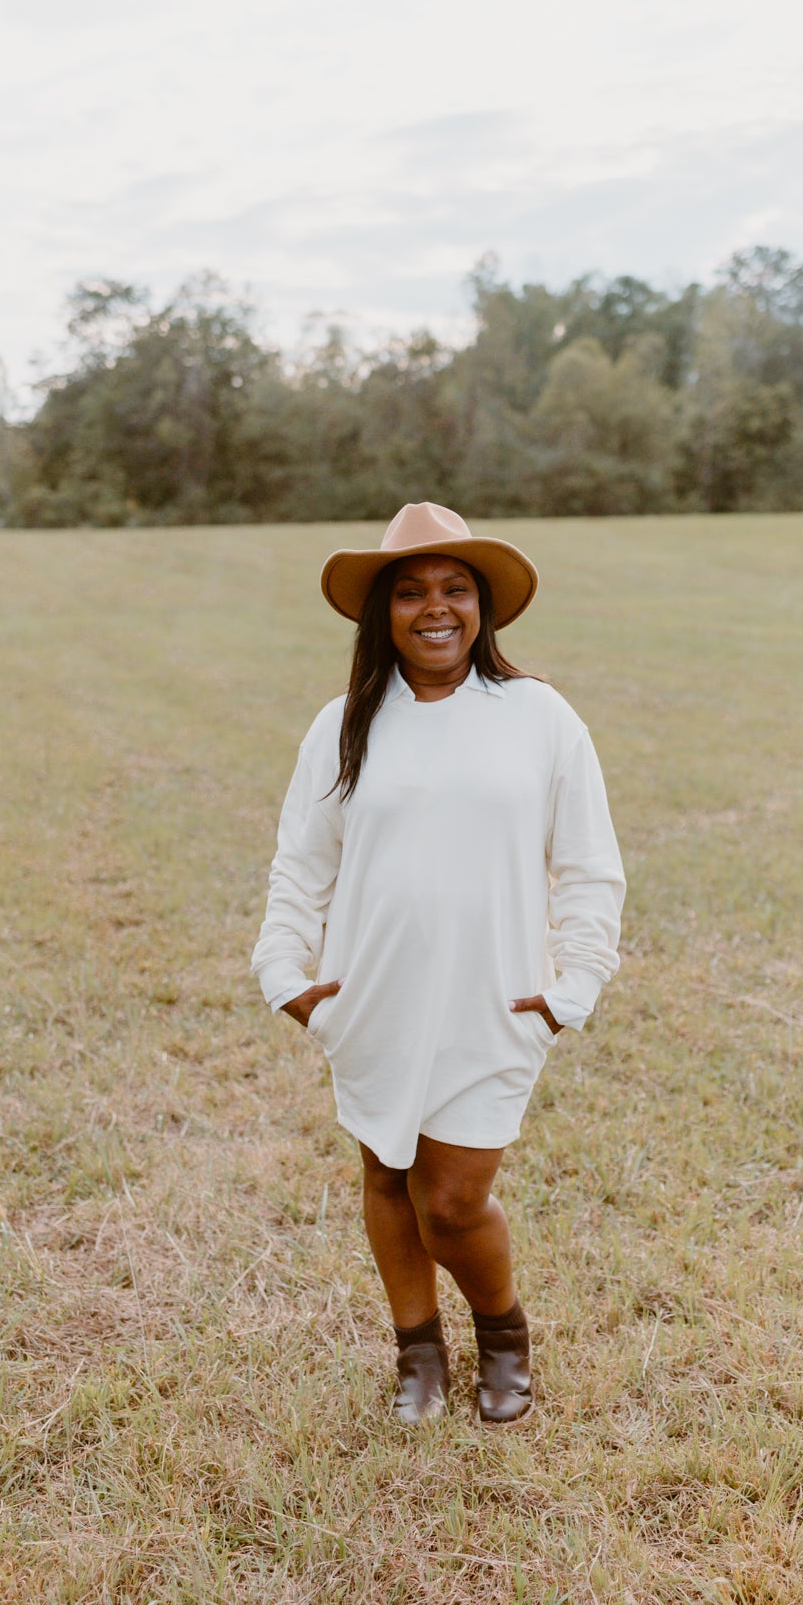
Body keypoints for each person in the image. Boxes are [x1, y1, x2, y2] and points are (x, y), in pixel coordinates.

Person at [251, 502, 624, 1426]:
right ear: (382, 611)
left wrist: (572, 987)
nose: (435, 608)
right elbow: (301, 862)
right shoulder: (344, 724)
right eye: (411, 591)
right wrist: (286, 974)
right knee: (386, 1175)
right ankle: (417, 1353)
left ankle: (502, 1335)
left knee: (453, 1201)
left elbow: (587, 864)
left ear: (481, 606)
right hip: (372, 992)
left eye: (455, 588)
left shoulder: (537, 715)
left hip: (496, 997)